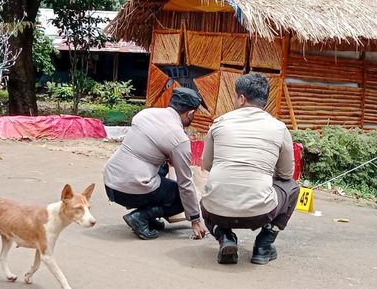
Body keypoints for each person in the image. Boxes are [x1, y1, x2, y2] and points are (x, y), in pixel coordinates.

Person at [201, 73, 300, 265]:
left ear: (242, 98)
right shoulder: (279, 128)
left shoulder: (219, 123)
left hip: (217, 211)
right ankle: (263, 246)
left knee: (206, 195)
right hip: (260, 212)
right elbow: (286, 174)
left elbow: (207, 165)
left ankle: (225, 238)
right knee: (293, 188)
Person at [103, 88, 207, 240]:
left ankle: (148, 217)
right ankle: (141, 217)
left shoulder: (145, 114)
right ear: (190, 113)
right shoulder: (179, 139)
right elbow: (185, 183)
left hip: (110, 180)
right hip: (130, 187)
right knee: (180, 196)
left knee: (161, 167)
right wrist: (195, 219)